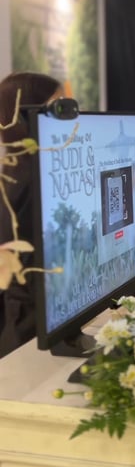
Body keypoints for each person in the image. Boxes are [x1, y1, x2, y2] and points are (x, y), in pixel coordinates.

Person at [0, 71, 62, 357]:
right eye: (58, 108)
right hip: (30, 335)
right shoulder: (25, 183)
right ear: (26, 117)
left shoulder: (28, 174)